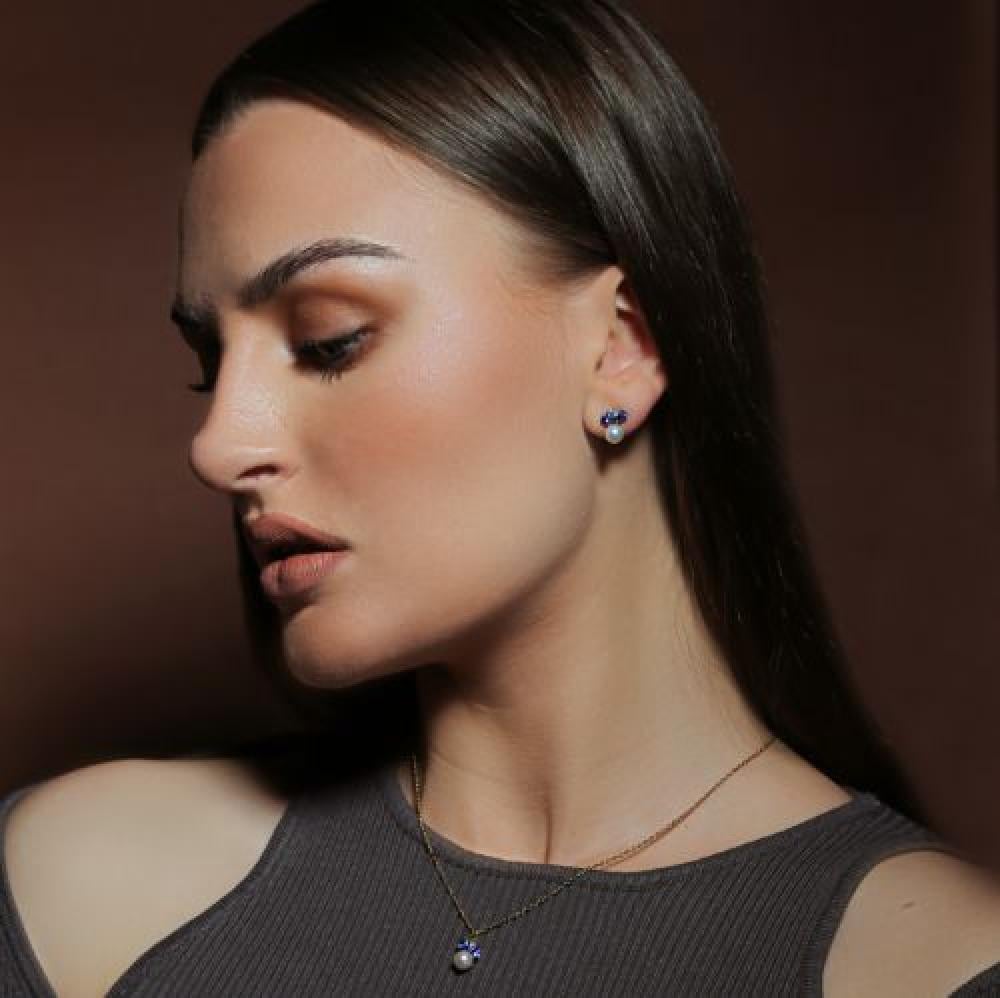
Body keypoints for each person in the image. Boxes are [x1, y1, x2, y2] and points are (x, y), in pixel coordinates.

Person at [2, 1, 999, 994]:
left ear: (620, 349)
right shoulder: (86, 891)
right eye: (210, 364)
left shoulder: (921, 965)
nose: (218, 445)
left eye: (328, 340)